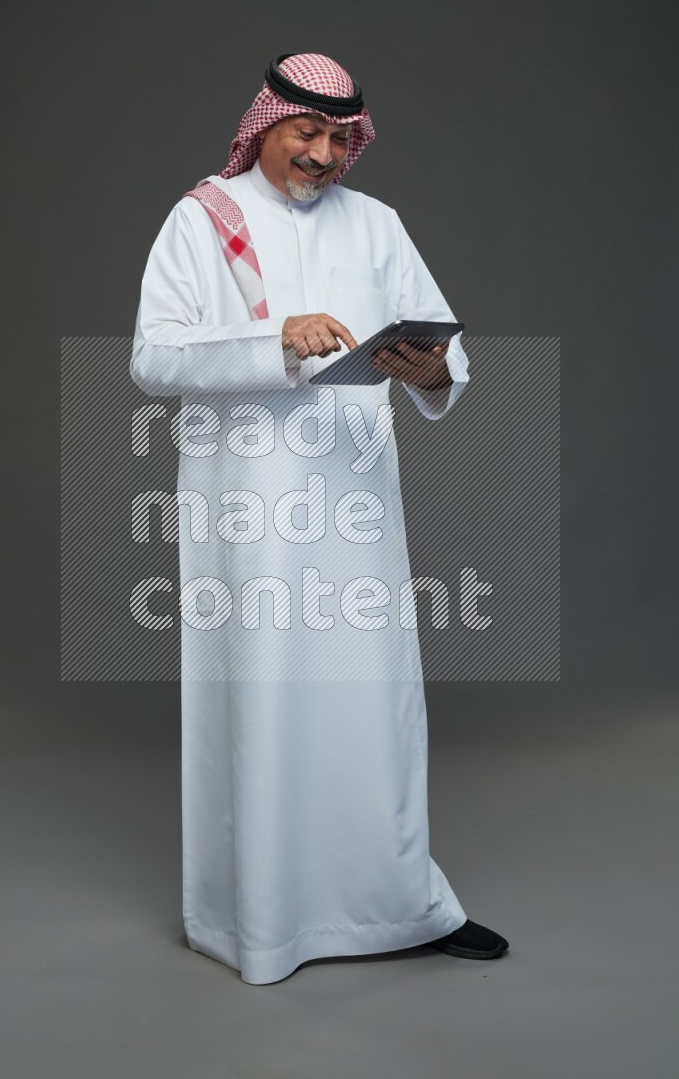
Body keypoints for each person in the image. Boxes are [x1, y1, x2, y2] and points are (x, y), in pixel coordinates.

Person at [129, 52, 509, 984]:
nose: (324, 153)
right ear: (265, 125)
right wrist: (275, 340)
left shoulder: (377, 224)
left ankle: (400, 904)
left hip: (356, 497)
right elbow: (154, 359)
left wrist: (428, 372)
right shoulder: (202, 219)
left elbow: (439, 350)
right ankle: (263, 922)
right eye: (307, 131)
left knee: (375, 701)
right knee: (266, 697)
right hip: (250, 506)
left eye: (341, 138)